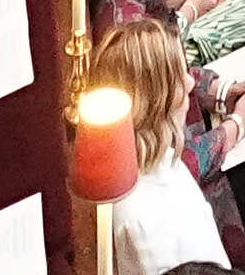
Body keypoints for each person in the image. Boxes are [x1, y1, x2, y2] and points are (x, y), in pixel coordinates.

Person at [93, 22, 232, 275]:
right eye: (180, 77)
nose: (190, 84)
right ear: (155, 101)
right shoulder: (148, 228)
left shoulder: (156, 158)